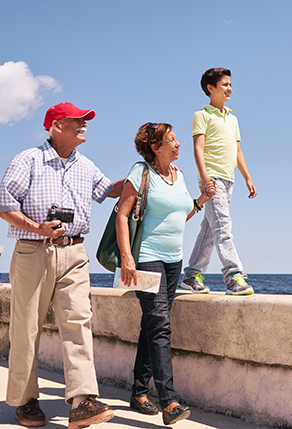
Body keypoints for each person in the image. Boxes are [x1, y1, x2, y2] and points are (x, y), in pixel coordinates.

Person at [0, 102, 124, 429]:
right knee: (26, 328)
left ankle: (83, 401)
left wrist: (141, 173)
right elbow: (3, 206)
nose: (84, 125)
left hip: (75, 253)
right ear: (55, 126)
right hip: (33, 251)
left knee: (79, 322)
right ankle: (25, 400)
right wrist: (38, 228)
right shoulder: (28, 160)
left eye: (85, 120)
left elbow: (109, 191)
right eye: (77, 120)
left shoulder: (86, 165)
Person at [116, 122, 214, 425]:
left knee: (153, 323)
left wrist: (200, 202)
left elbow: (177, 214)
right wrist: (127, 258)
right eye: (172, 140)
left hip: (174, 261)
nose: (179, 144)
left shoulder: (180, 176)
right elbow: (122, 213)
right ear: (155, 147)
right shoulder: (141, 172)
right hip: (146, 259)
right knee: (160, 325)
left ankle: (139, 392)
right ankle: (169, 401)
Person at [180, 68, 257, 296]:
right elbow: (198, 148)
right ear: (210, 88)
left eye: (230, 84)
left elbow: (238, 151)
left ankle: (192, 274)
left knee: (210, 229)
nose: (229, 88)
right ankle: (233, 276)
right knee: (223, 226)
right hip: (212, 178)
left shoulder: (232, 118)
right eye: (224, 84)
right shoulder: (201, 115)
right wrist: (205, 178)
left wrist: (247, 177)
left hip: (229, 179)